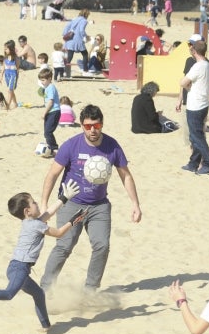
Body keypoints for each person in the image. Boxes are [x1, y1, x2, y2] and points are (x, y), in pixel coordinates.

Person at [39, 105, 142, 292]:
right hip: (70, 203)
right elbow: (52, 174)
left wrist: (135, 204)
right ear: (81, 125)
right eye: (88, 126)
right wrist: (45, 204)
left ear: (102, 124)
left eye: (96, 125)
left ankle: (90, 290)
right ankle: (45, 289)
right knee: (64, 246)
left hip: (99, 206)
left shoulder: (112, 146)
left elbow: (125, 175)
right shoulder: (71, 145)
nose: (93, 130)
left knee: (102, 246)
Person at [0, 181, 84, 331]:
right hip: (19, 268)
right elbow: (59, 233)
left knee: (38, 293)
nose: (37, 204)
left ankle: (46, 326)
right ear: (28, 211)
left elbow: (48, 214)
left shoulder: (31, 222)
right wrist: (74, 221)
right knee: (9, 294)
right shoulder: (36, 225)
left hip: (19, 268)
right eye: (34, 202)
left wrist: (64, 198)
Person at [178, 40, 209, 175]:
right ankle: (193, 163)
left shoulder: (198, 66)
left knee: (197, 137)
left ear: (194, 51)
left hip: (196, 105)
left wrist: (187, 86)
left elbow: (183, 82)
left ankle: (208, 164)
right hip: (203, 103)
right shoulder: (207, 65)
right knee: (195, 136)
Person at [38, 68, 61, 155]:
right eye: (41, 80)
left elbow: (51, 102)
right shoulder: (47, 88)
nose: (42, 82)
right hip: (50, 112)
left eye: (43, 80)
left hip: (54, 111)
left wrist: (44, 113)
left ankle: (54, 148)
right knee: (46, 132)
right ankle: (50, 148)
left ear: (50, 79)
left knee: (48, 131)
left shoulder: (51, 87)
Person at [63, 9, 91, 74]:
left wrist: (65, 35)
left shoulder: (75, 19)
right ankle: (85, 70)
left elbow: (67, 26)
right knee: (85, 54)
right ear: (86, 15)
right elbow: (81, 30)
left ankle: (64, 71)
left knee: (70, 55)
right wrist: (86, 36)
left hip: (70, 39)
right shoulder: (84, 21)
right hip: (77, 40)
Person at [0, 39, 19, 108]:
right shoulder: (5, 58)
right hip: (7, 75)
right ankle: (15, 104)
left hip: (13, 75)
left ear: (11, 49)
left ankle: (7, 105)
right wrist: (1, 77)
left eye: (6, 49)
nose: (5, 50)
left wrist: (17, 78)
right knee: (11, 90)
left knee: (9, 90)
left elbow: (17, 69)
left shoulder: (16, 58)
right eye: (4, 49)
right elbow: (3, 68)